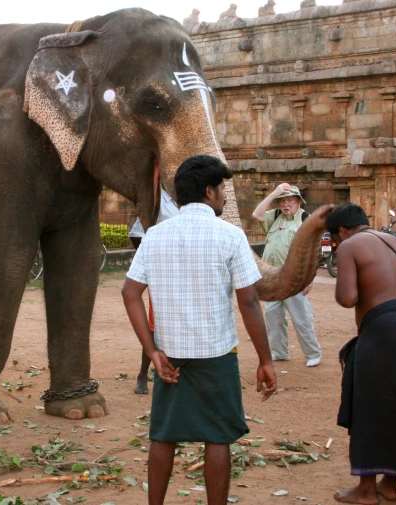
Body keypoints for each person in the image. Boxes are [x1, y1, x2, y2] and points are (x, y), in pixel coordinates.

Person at [121, 155, 278, 505]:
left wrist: (152, 351)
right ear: (209, 191)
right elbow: (249, 302)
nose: (224, 196)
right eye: (222, 189)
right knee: (217, 436)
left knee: (163, 435)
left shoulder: (155, 235)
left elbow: (130, 294)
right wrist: (265, 359)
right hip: (216, 355)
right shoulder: (231, 236)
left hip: (169, 357)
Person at [327, 203, 396, 504]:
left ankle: (366, 489)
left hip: (385, 329)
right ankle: (390, 484)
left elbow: (348, 298)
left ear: (343, 231)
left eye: (335, 238)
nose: (337, 244)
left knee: (369, 407)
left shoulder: (350, 246)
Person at [252, 183, 322, 367]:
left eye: (290, 200)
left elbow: (313, 251)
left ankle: (313, 353)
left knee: (301, 318)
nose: (286, 204)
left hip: (294, 278)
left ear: (298, 202)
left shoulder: (305, 219)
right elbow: (256, 215)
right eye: (282, 201)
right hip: (272, 277)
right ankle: (279, 351)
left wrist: (310, 278)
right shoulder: (274, 216)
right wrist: (273, 193)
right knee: (273, 317)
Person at [128, 188, 180, 394]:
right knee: (154, 326)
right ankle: (143, 373)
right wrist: (152, 260)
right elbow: (135, 234)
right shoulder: (156, 201)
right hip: (164, 275)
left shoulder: (185, 201)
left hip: (186, 272)